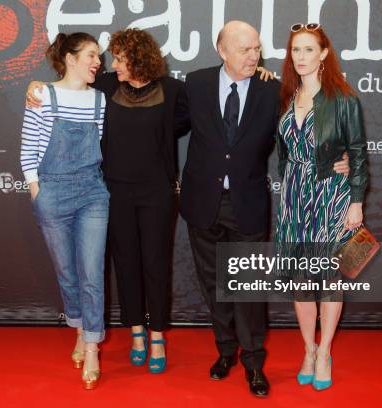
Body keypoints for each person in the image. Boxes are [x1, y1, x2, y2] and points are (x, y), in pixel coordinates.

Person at [180, 21, 350, 398]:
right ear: (222, 50)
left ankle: (254, 362)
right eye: (244, 49)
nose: (253, 56)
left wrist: (344, 160)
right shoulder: (194, 84)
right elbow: (159, 118)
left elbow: (306, 131)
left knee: (248, 289)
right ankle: (226, 352)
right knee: (215, 286)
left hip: (247, 205)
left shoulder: (273, 90)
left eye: (256, 48)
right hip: (202, 203)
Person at [26, 28, 190, 374]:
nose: (110, 64)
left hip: (157, 192)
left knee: (156, 263)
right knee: (126, 263)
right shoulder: (106, 88)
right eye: (108, 57)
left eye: (118, 58)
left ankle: (157, 335)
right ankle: (136, 334)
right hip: (113, 190)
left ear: (137, 57)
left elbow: (197, 117)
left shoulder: (174, 91)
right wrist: (35, 87)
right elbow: (67, 86)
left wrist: (261, 78)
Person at [274, 23, 368, 391]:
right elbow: (284, 153)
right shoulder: (285, 96)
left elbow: (357, 152)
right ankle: (308, 350)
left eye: (308, 50)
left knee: (330, 278)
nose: (300, 57)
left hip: (332, 196)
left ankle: (325, 351)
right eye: (295, 50)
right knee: (300, 282)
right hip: (294, 198)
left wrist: (356, 201)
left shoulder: (343, 99)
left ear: (324, 54)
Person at [19, 32, 109, 390]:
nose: (97, 62)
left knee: (92, 274)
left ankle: (92, 347)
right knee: (68, 274)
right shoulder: (42, 94)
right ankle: (79, 328)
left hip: (92, 193)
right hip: (52, 191)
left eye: (98, 57)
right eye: (90, 55)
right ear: (70, 58)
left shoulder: (101, 100)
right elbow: (28, 150)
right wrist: (37, 191)